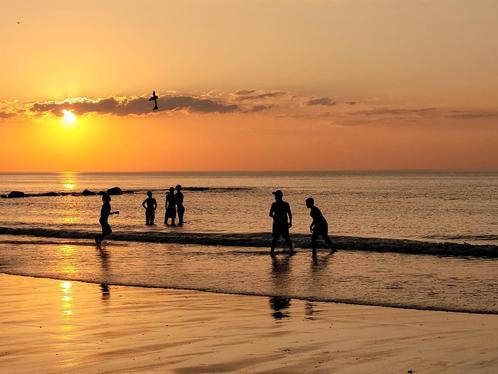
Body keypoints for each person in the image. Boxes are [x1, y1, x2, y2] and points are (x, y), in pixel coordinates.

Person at [269, 190, 294, 256]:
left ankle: (291, 250)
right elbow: (270, 214)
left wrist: (290, 222)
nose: (275, 197)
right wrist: (290, 222)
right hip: (279, 224)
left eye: (276, 195)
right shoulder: (276, 204)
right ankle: (272, 252)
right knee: (278, 238)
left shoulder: (284, 204)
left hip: (281, 224)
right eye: (275, 196)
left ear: (279, 196)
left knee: (284, 238)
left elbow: (289, 214)